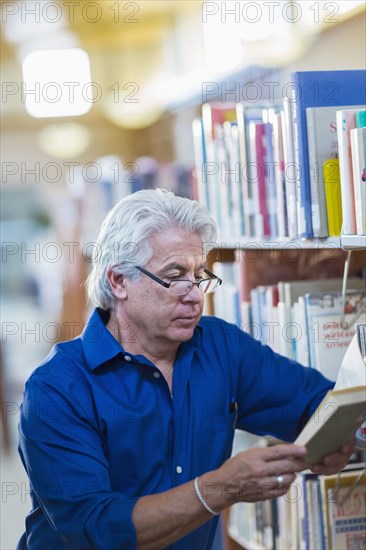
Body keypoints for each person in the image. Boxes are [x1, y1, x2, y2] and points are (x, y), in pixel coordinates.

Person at [17, 189, 355, 550]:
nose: (194, 294)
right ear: (119, 281)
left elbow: (318, 402)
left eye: (198, 275)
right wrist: (220, 488)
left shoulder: (220, 346)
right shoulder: (56, 389)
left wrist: (337, 437)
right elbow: (97, 528)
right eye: (175, 275)